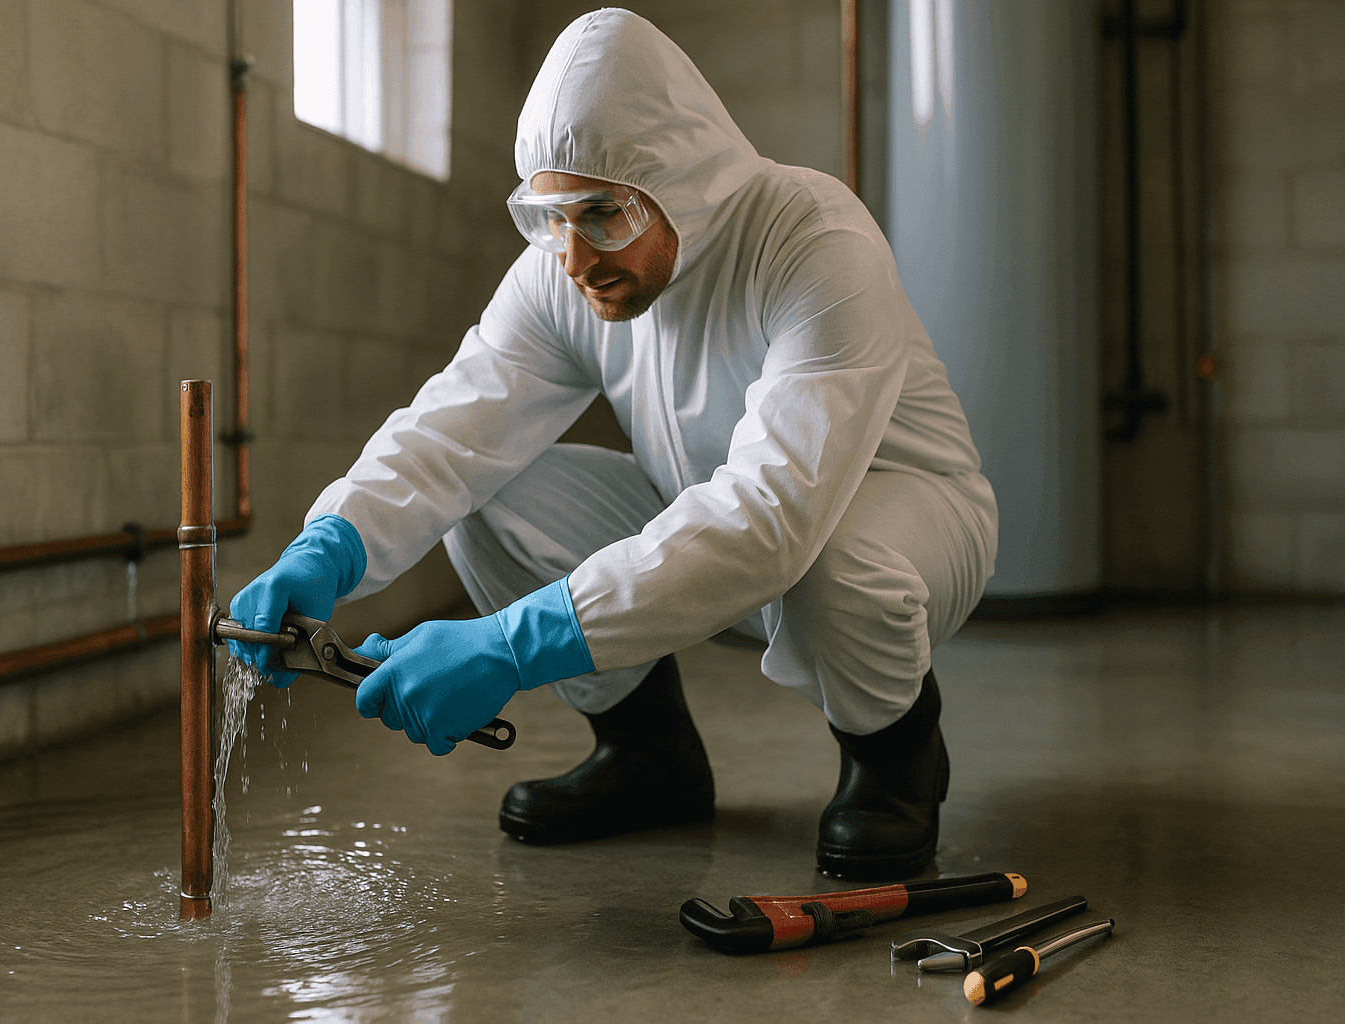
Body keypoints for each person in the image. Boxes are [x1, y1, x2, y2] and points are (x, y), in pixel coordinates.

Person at [229, 9, 996, 881]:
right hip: (714, 514)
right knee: (487, 496)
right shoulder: (565, 273)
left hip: (905, 518)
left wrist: (513, 644)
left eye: (602, 214)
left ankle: (895, 761)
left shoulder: (815, 244)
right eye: (551, 216)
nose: (574, 256)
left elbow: (775, 518)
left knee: (837, 558)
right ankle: (647, 756)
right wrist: (332, 541)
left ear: (688, 179)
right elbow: (455, 428)